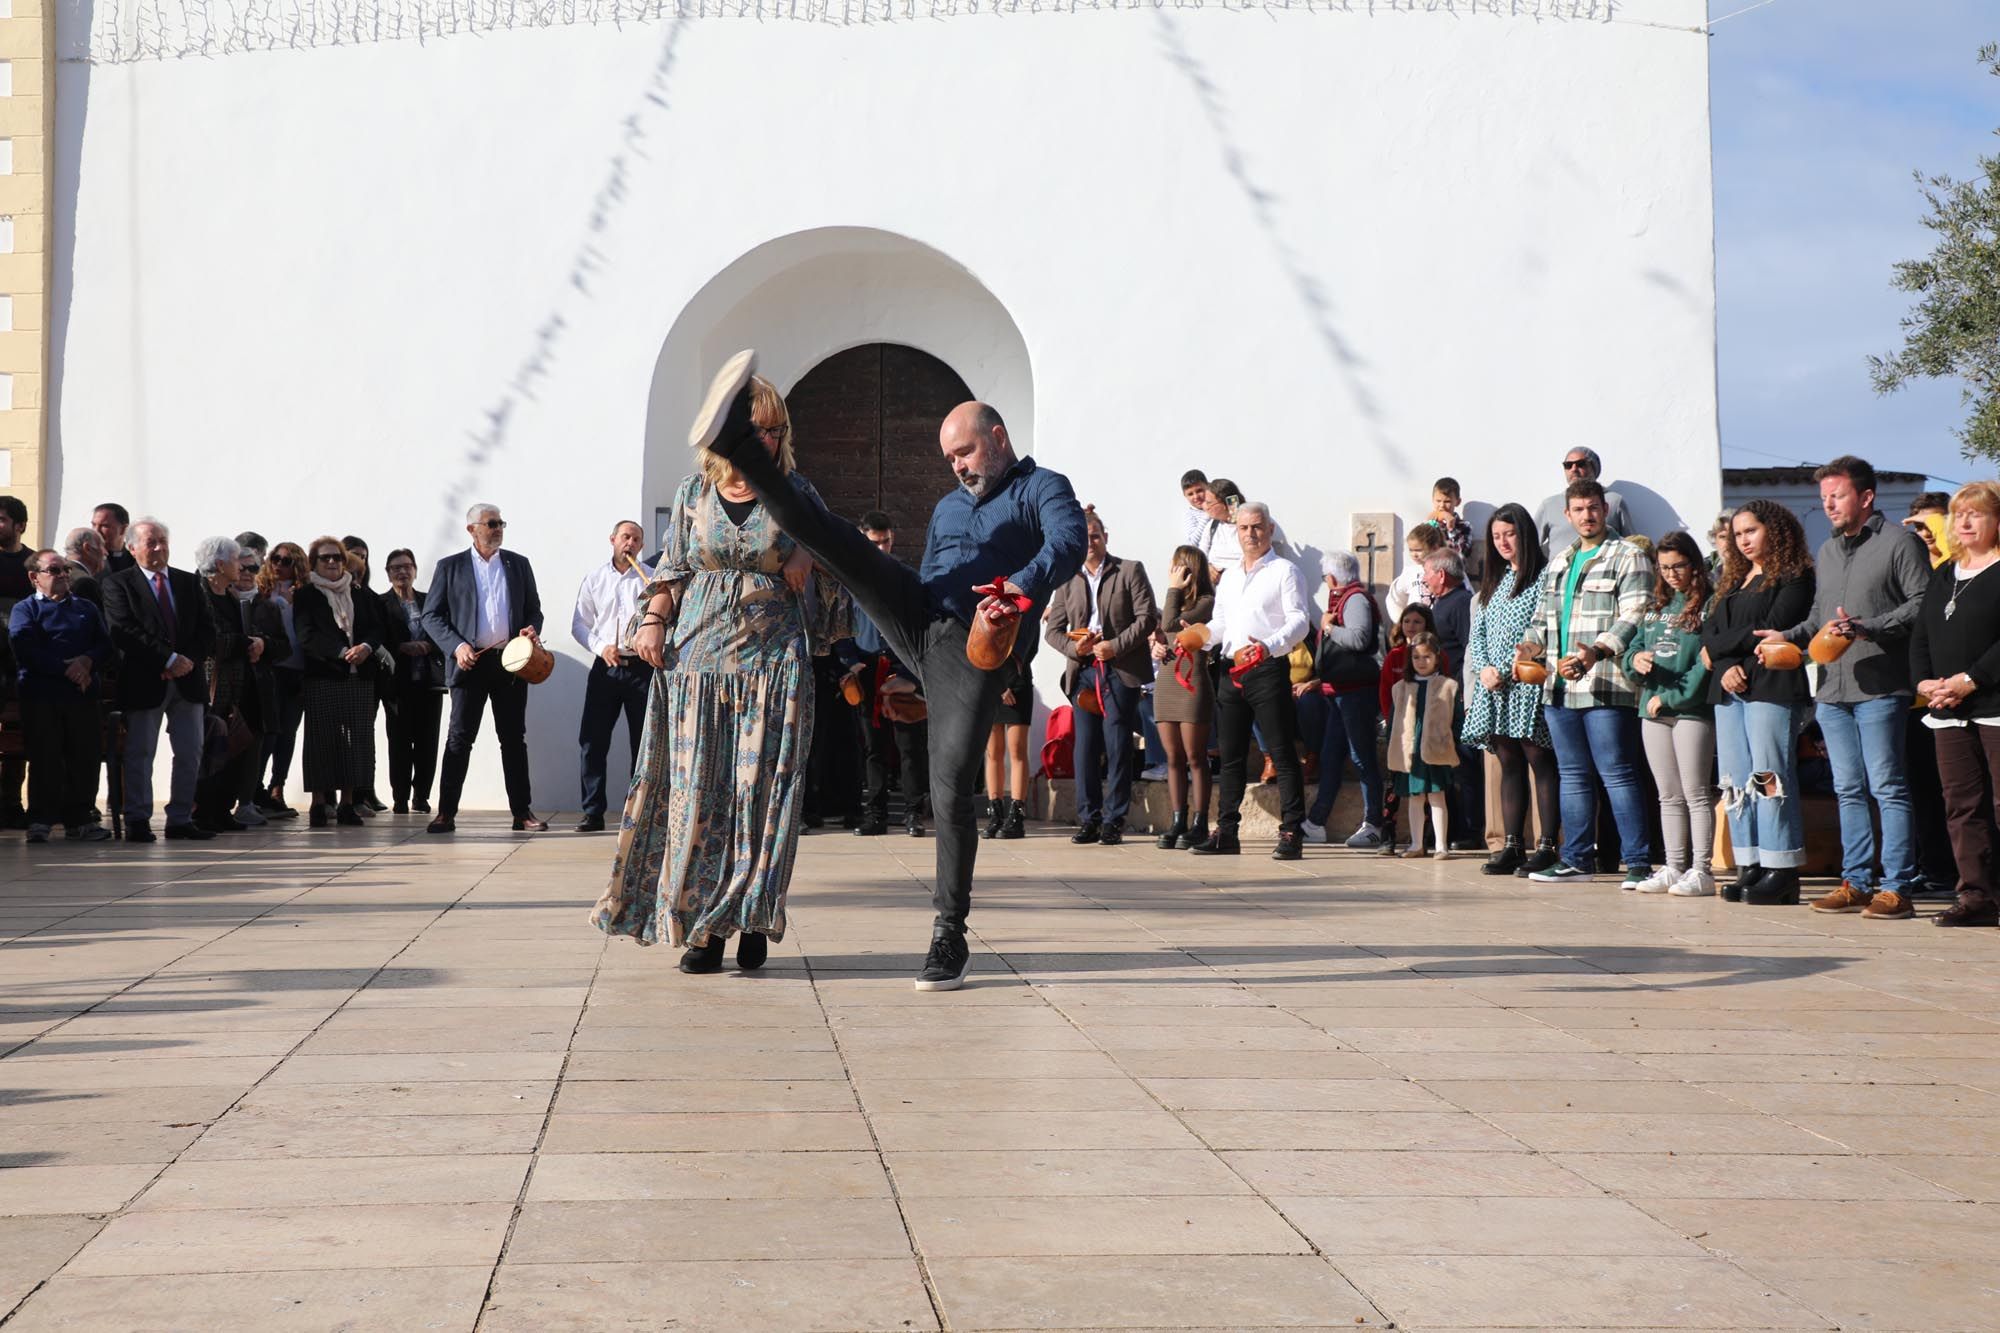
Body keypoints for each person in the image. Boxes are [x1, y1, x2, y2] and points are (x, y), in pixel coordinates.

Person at [687, 357, 1086, 990]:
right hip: (921, 621)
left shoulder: (1043, 490)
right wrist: (909, 674)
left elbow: (1067, 545)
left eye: (965, 450)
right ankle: (739, 443)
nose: (957, 464)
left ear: (999, 437)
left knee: (950, 785)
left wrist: (1018, 587)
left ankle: (948, 932)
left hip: (982, 639)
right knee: (829, 537)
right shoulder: (950, 506)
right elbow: (924, 579)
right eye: (949, 456)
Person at [592, 374, 821, 973]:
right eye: (756, 430)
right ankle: (701, 928)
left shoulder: (798, 495)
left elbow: (841, 554)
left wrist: (807, 551)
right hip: (697, 668)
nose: (767, 441)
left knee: (761, 796)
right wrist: (651, 624)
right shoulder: (694, 493)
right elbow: (670, 569)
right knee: (696, 796)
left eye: (776, 430)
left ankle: (749, 918)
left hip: (773, 671)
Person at [1748, 458, 1928, 918]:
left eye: (1838, 495)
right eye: (1824, 497)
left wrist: (1867, 628)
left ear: (1866, 497)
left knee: (1887, 786)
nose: (1828, 504)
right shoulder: (1826, 552)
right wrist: (1785, 637)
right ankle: (1857, 882)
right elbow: (1817, 619)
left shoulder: (1899, 543)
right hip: (1832, 691)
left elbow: (1922, 604)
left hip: (1881, 687)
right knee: (1847, 788)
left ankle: (1897, 887)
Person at [1517, 480, 1655, 887]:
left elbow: (1635, 615)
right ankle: (1576, 859)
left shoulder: (1629, 556)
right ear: (1568, 515)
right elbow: (1541, 619)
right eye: (1578, 509)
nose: (1587, 515)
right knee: (1573, 774)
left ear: (1605, 509)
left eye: (1593, 508)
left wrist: (1596, 651)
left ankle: (1638, 864)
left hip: (1606, 683)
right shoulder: (1559, 561)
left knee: (1617, 772)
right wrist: (1528, 648)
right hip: (1559, 687)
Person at [1701, 500, 1816, 906]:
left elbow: (1770, 631)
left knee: (1769, 775)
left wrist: (1723, 653)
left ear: (1775, 529)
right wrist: (1726, 665)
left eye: (1751, 531)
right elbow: (1709, 631)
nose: (1743, 540)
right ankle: (1749, 861)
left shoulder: (1795, 575)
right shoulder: (1732, 579)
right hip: (1730, 688)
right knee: (1735, 779)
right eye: (1737, 534)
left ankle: (1780, 867)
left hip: (1771, 683)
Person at [1188, 500, 1312, 861]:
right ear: (1236, 532)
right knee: (1230, 757)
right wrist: (1197, 636)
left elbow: (1300, 620)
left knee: (1282, 753)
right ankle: (1227, 831)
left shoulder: (1286, 571)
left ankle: (1291, 831)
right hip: (1230, 670)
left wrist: (1269, 646)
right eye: (1243, 528)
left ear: (1270, 529)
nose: (1250, 534)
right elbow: (1222, 625)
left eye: (1257, 526)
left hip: (1266, 668)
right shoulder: (1229, 577)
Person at [422, 503, 547, 833]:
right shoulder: (450, 567)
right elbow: (431, 616)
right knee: (459, 739)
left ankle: (523, 813)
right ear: (472, 529)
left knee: (512, 739)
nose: (498, 528)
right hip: (470, 663)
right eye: (491, 523)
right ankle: (445, 813)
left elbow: (534, 611)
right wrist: (457, 646)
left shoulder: (518, 565)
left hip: (510, 663)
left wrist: (531, 629)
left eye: (501, 522)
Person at [1911, 481, 2000, 927]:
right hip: (1947, 708)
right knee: (1962, 805)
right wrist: (1925, 682)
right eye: (1958, 514)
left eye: (1976, 514)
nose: (1964, 521)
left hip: (1994, 701)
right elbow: (1922, 634)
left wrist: (1970, 680)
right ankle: (1976, 897)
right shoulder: (1945, 573)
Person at [1046, 506, 1157, 846]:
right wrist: (1075, 649)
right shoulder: (1067, 579)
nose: (1091, 542)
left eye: (1096, 536)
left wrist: (1115, 646)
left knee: (1117, 743)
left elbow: (1147, 618)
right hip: (1082, 673)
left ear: (1105, 538)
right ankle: (1089, 818)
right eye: (1085, 537)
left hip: (1119, 670)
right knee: (1085, 747)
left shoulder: (1129, 570)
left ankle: (1114, 819)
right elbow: (1053, 631)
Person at [102, 518, 215, 842]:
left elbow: (206, 629)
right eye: (151, 542)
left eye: (163, 540)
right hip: (145, 680)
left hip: (187, 681)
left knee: (191, 750)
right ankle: (137, 818)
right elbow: (123, 630)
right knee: (141, 752)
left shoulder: (187, 582)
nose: (159, 547)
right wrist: (166, 659)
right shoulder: (118, 583)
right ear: (132, 547)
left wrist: (185, 661)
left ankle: (180, 819)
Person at [1462, 503, 1559, 877]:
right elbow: (1480, 631)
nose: (1503, 542)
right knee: (1508, 764)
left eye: (1510, 534)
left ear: (1525, 534)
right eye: (1497, 536)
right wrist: (1485, 669)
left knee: (1540, 762)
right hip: (1495, 689)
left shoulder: (1544, 577)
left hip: (1526, 683)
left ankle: (1548, 844)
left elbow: (1542, 629)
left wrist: (1507, 669)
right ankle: (1512, 844)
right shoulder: (1496, 581)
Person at [1624, 531, 1716, 896]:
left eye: (1678, 565)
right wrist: (1635, 660)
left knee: (1696, 792)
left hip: (1691, 710)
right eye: (1664, 568)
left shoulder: (1709, 606)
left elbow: (1706, 662)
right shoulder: (1655, 607)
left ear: (1694, 564)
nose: (1672, 574)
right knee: (1668, 795)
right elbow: (1632, 648)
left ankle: (1701, 870)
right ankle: (1674, 867)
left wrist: (1673, 697)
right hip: (1653, 709)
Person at [8, 549, 112, 842]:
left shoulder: (86, 608)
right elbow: (25, 650)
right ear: (34, 577)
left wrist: (87, 663)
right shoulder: (25, 610)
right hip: (42, 695)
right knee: (45, 757)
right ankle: (40, 819)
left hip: (82, 696)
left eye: (66, 569)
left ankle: (80, 819)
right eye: (55, 571)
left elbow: (104, 646)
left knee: (84, 757)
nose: (64, 575)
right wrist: (69, 670)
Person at [841, 513, 931, 839]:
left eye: (886, 540)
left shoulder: (905, 578)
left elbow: (918, 627)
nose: (881, 547)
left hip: (899, 668)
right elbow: (841, 624)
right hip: (865, 669)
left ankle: (912, 814)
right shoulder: (849, 578)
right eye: (875, 541)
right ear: (863, 538)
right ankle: (875, 814)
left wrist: (910, 673)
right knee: (874, 747)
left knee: (909, 746)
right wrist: (849, 662)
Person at [295, 536, 394, 828]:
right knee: (321, 740)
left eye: (336, 558)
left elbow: (377, 629)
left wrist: (364, 647)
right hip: (324, 674)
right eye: (324, 558)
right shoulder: (306, 595)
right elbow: (306, 635)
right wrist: (340, 653)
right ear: (315, 562)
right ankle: (319, 803)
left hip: (359, 676)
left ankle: (348, 803)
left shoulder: (359, 593)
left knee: (355, 742)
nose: (331, 563)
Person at [1297, 550, 1385, 849]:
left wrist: (1330, 627)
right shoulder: (1344, 599)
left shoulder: (1356, 599)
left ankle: (1374, 823)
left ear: (1333, 577)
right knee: (1330, 756)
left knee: (1362, 757)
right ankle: (1316, 822)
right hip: (1338, 692)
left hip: (1356, 693)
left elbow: (1359, 639)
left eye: (1324, 578)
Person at [571, 519, 653, 832]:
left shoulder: (651, 578)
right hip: (606, 667)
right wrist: (601, 646)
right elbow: (579, 624)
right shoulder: (594, 578)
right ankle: (593, 811)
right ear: (613, 540)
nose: (629, 543)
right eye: (625, 537)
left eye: (635, 539)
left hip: (642, 668)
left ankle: (639, 811)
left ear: (641, 546)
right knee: (592, 740)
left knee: (643, 742)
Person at [191, 537, 274, 833]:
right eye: (238, 560)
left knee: (231, 747)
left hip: (237, 686)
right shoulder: (199, 593)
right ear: (220, 564)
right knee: (208, 747)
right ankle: (201, 810)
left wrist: (255, 644)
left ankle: (222, 809)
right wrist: (244, 643)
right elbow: (209, 639)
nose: (243, 566)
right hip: (209, 684)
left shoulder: (228, 596)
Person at [1151, 545, 1215, 850]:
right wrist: (1157, 647)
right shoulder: (1172, 603)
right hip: (1167, 679)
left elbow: (1170, 624)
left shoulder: (1206, 602)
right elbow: (1163, 632)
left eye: (1178, 567)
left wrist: (1173, 589)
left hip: (1193, 681)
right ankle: (1178, 820)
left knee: (1195, 757)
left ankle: (1200, 822)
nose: (1172, 572)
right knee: (1173, 757)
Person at [380, 547, 444, 814]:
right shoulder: (380, 604)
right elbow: (378, 637)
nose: (402, 571)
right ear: (388, 573)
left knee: (428, 742)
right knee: (399, 742)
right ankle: (400, 797)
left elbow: (444, 633)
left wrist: (428, 646)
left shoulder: (430, 601)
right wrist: (401, 647)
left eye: (407, 566)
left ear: (415, 570)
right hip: (397, 683)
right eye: (396, 567)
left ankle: (421, 796)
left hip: (429, 683)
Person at [1388, 630, 1459, 860]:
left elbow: (1456, 720)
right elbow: (1394, 722)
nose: (1421, 662)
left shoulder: (1448, 686)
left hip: (1436, 750)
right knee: (1415, 797)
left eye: (1427, 657)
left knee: (1437, 796)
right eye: (1416, 657)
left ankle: (1441, 846)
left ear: (1437, 657)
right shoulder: (1400, 688)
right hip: (1411, 751)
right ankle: (1417, 844)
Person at [231, 543, 287, 828]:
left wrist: (264, 645)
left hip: (258, 687)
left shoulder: (266, 606)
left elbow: (284, 647)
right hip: (226, 687)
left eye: (253, 568)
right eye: (241, 567)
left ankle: (247, 801)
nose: (247, 574)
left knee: (255, 746)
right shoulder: (217, 600)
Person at [254, 542, 309, 818]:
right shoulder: (261, 590)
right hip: (271, 668)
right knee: (268, 732)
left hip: (297, 670)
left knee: (288, 732)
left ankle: (278, 786)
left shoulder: (305, 593)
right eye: (275, 558)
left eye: (286, 561)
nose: (279, 564)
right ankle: (256, 787)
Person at [1532, 448, 1634, 554]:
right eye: (1568, 465)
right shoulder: (1549, 505)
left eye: (1580, 464)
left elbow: (1632, 542)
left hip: (1605, 568)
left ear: (1594, 468)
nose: (1574, 469)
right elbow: (1529, 545)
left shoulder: (1614, 501)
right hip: (1560, 569)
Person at [0, 496, 29, 829]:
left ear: (20, 525)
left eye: (4, 519)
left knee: (19, 737)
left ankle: (11, 801)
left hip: (21, 664)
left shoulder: (32, 565)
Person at [983, 650, 1033, 841]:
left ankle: (1016, 816)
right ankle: (995, 814)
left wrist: (1008, 683)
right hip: (991, 682)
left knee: (1017, 750)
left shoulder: (1027, 619)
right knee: (993, 752)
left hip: (1018, 681)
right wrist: (999, 686)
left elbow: (1028, 649)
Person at [1385, 522, 1447, 622]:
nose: (1414, 555)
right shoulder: (1411, 572)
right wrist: (1401, 622)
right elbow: (1394, 599)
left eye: (1418, 550)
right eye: (1411, 550)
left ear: (1435, 548)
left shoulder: (1449, 569)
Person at [1428, 478, 1475, 569]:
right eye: (1438, 501)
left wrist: (1451, 528)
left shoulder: (1465, 526)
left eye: (1447, 501)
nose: (1442, 506)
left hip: (1453, 575)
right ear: (1433, 500)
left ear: (1457, 502)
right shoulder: (1429, 523)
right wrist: (1428, 526)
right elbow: (1423, 552)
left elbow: (1460, 555)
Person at [62, 528, 108, 608]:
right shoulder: (85, 583)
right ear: (87, 548)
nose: (106, 552)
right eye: (102, 546)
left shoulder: (54, 573)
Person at [1905, 491, 1953, 568]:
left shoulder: (1964, 563)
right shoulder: (1908, 565)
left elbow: (1953, 557)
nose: (1925, 534)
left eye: (1933, 525)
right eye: (1919, 526)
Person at [92, 503, 136, 574]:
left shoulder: (136, 558)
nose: (96, 531)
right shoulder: (86, 558)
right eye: (93, 525)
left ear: (123, 529)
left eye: (104, 526)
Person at [1179, 470, 1213, 547]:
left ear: (1208, 487)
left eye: (1199, 491)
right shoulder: (1190, 515)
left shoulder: (1218, 505)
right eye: (1190, 494)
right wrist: (1207, 515)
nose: (1196, 497)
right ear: (1185, 496)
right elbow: (1192, 543)